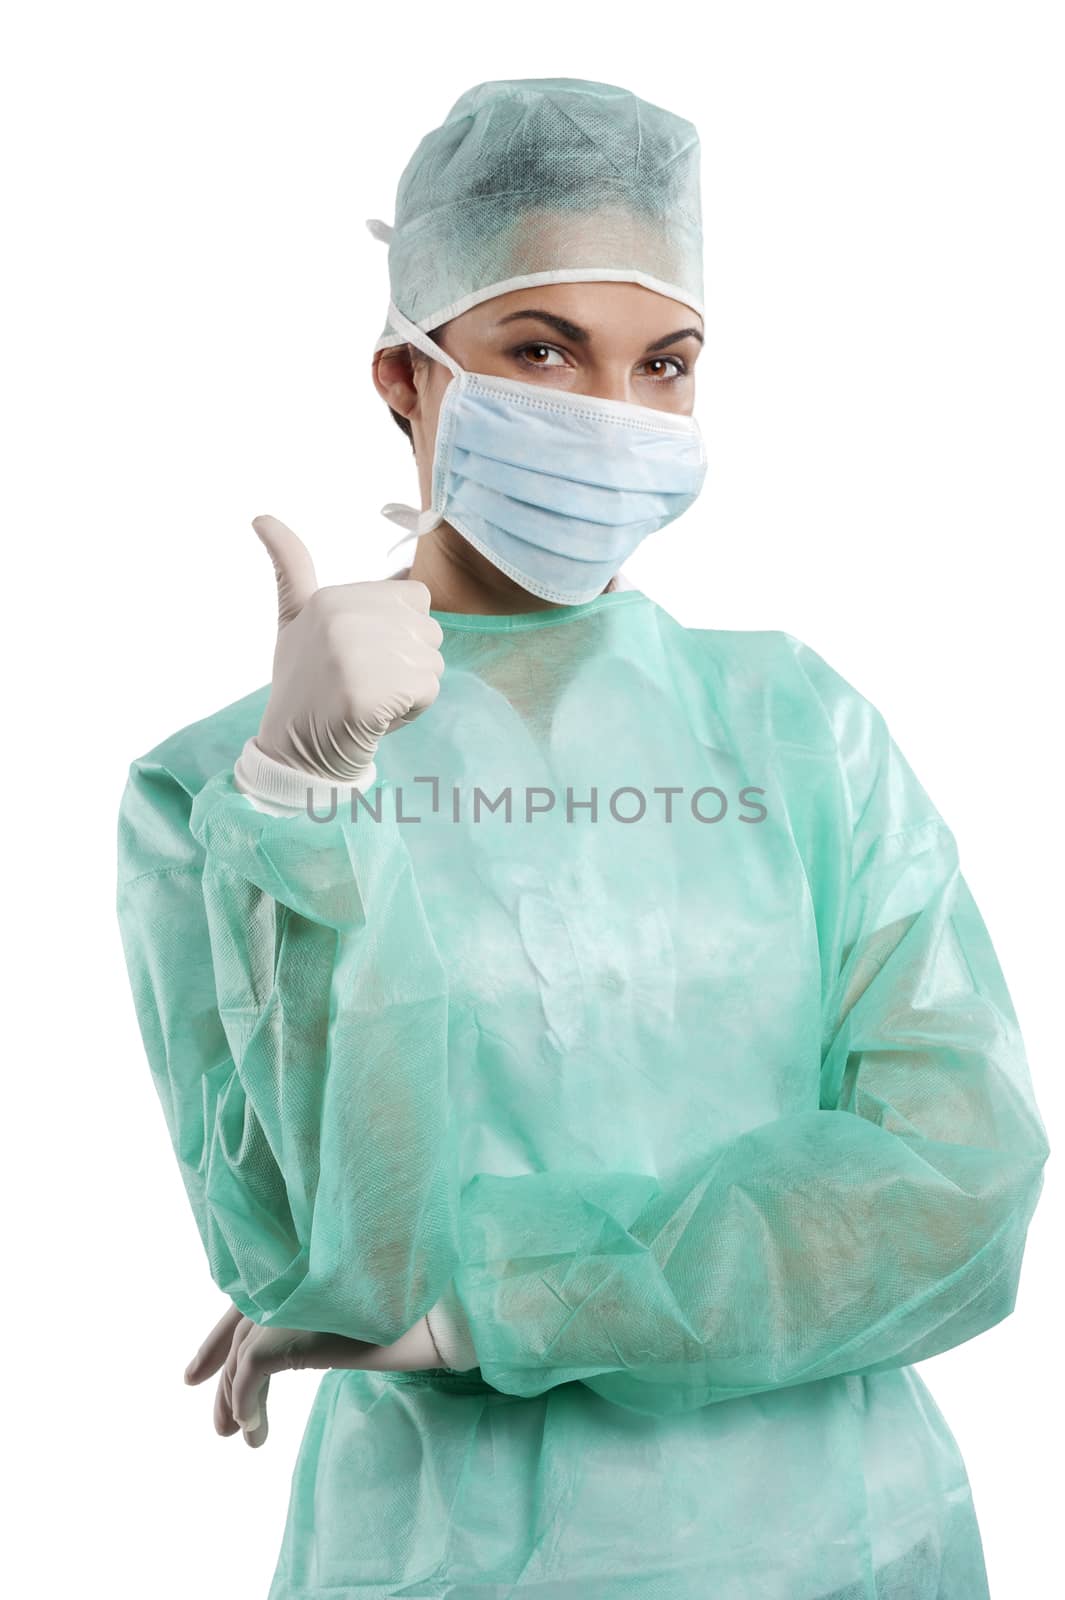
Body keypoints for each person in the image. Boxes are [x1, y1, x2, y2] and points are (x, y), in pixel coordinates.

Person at [115, 78, 1050, 1600]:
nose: (607, 415)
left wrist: (496, 1308)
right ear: (406, 380)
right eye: (541, 348)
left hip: (845, 1545)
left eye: (662, 364)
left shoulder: (792, 729)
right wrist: (301, 806)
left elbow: (960, 1188)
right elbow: (314, 1254)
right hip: (451, 1562)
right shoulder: (218, 787)